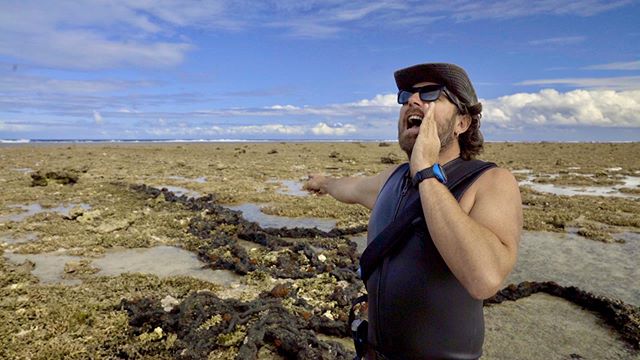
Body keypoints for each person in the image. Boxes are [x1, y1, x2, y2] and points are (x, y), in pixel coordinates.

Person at [304, 63, 522, 359]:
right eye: (406, 95)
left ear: (462, 123)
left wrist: (426, 171)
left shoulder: (490, 182)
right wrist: (324, 182)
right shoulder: (391, 179)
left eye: (430, 93)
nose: (411, 100)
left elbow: (485, 277)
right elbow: (351, 189)